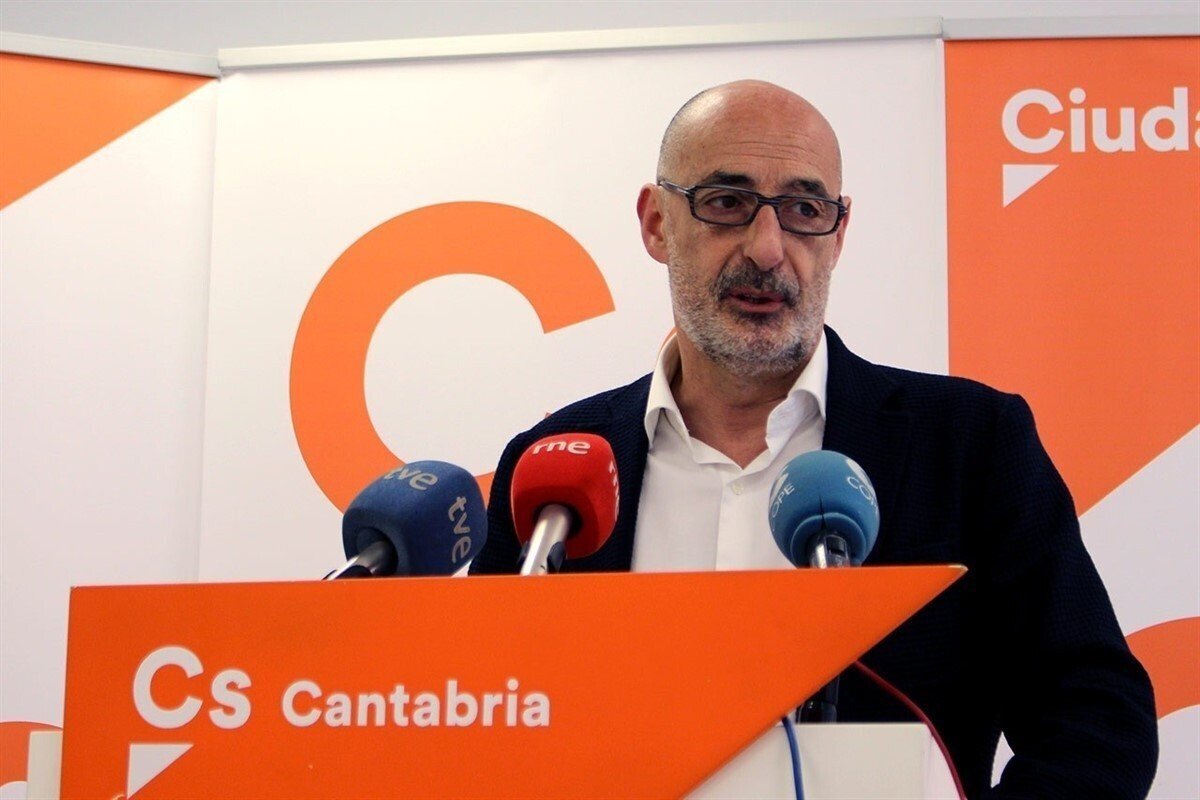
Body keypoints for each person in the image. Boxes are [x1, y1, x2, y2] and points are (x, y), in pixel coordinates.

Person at [470, 80, 1157, 798]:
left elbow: (1097, 716)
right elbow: (483, 715)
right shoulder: (555, 467)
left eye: (804, 210)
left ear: (838, 234)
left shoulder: (970, 446)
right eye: (727, 202)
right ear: (657, 224)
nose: (768, 249)